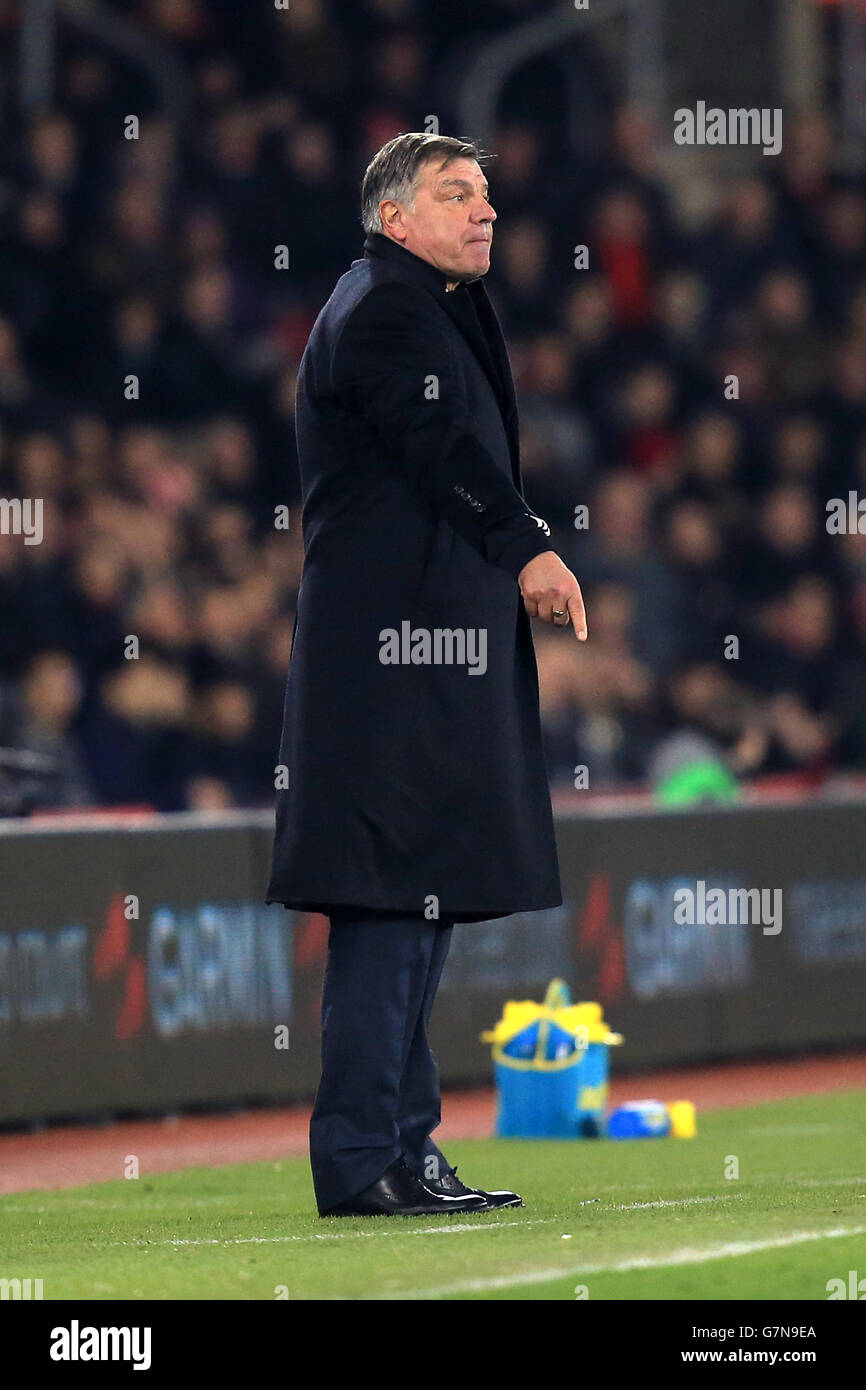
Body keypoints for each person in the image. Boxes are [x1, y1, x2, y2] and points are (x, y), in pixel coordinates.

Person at [266, 132, 587, 1217]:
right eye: (456, 195)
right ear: (393, 216)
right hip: (389, 660)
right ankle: (362, 1158)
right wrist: (526, 542)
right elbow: (443, 445)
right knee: (389, 902)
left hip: (427, 653)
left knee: (417, 900)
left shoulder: (420, 301)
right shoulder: (387, 310)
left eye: (487, 195)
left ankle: (402, 1148)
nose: (483, 211)